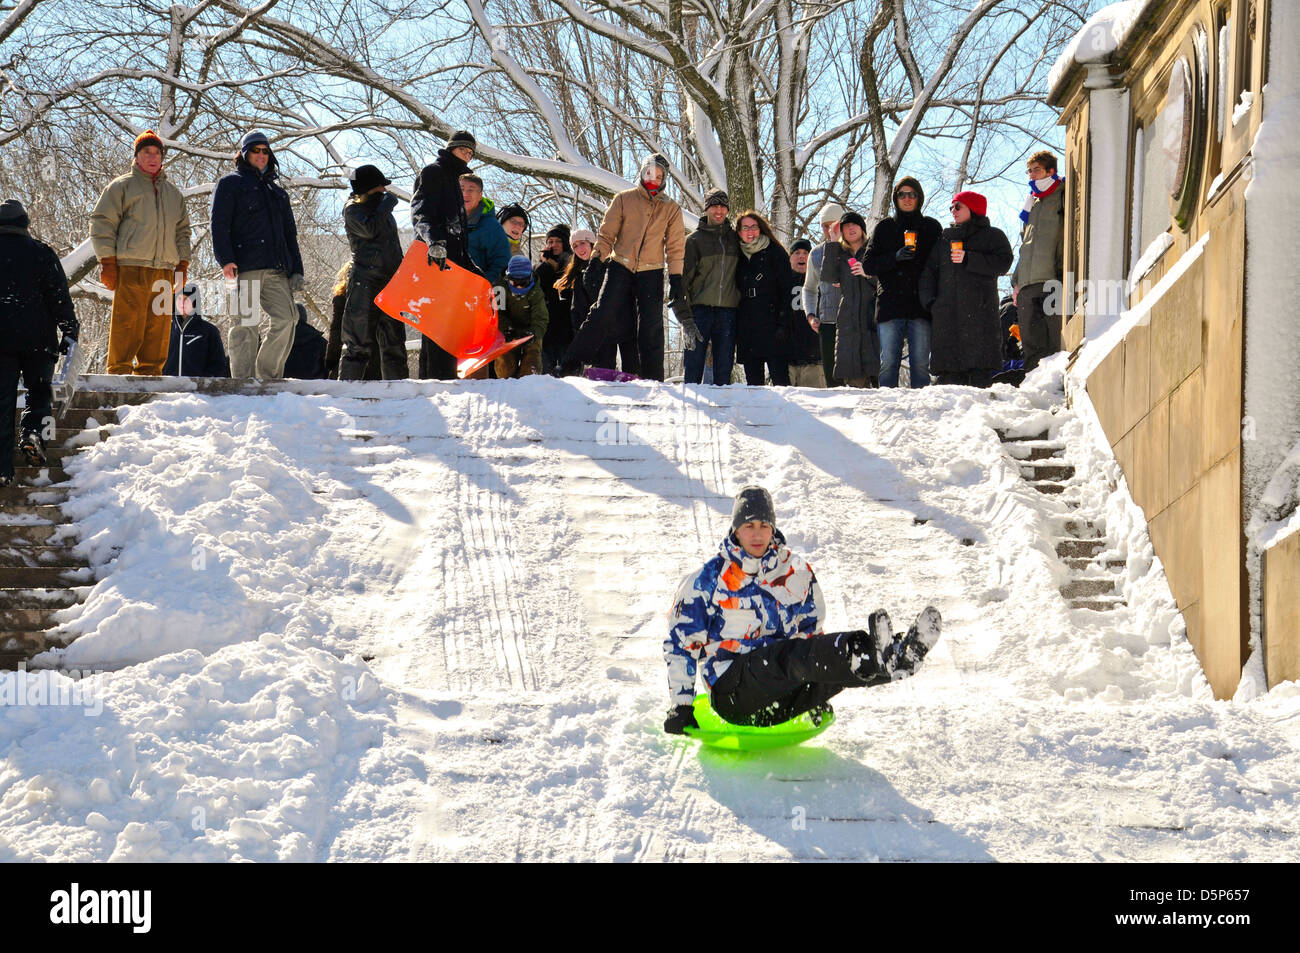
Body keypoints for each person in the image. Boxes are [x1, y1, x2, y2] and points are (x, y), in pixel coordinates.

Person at [663, 485, 942, 731]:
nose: (757, 534)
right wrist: (682, 706)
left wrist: (815, 697)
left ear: (773, 528)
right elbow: (680, 644)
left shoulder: (794, 571)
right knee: (783, 657)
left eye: (764, 525)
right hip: (735, 695)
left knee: (829, 671)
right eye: (749, 526)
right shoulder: (709, 579)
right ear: (735, 530)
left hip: (779, 701)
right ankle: (868, 652)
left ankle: (895, 659)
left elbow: (811, 634)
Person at [562, 153, 686, 381]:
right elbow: (607, 234)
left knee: (651, 325)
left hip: (652, 270)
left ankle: (653, 379)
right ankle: (570, 363)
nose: (654, 178)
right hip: (620, 265)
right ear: (642, 172)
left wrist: (677, 277)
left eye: (659, 176)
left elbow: (676, 247)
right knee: (602, 312)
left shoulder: (671, 209)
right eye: (650, 173)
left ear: (664, 179)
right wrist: (597, 260)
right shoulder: (623, 199)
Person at [89, 130, 191, 376]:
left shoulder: (174, 194)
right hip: (131, 267)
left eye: (157, 152)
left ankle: (150, 376)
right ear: (137, 156)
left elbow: (183, 232)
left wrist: (182, 265)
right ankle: (118, 375)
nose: (153, 157)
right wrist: (108, 262)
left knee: (158, 330)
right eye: (147, 152)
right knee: (127, 325)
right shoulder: (121, 187)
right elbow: (102, 223)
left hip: (165, 270)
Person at [210, 131, 305, 381]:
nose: (261, 155)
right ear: (244, 154)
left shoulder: (277, 192)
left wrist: (297, 269)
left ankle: (267, 377)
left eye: (265, 151)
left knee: (288, 319)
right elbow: (219, 224)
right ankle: (242, 382)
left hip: (277, 270)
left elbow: (289, 235)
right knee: (246, 326)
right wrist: (225, 259)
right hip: (245, 267)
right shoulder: (230, 183)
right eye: (256, 150)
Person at [0, 199, 78, 484]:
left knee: (3, 401)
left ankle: (2, 468)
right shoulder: (42, 253)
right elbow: (59, 297)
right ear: (25, 224)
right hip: (38, 338)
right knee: (39, 391)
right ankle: (34, 433)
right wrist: (70, 331)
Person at [920, 191, 1014, 387]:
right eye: (951, 207)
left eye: (958, 206)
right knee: (948, 386)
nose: (953, 211)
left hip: (980, 316)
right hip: (947, 319)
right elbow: (928, 273)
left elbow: (1003, 262)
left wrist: (969, 258)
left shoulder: (993, 236)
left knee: (980, 382)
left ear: (973, 208)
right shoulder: (943, 241)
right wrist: (931, 302)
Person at [411, 130, 479, 379]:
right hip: (436, 260)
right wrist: (434, 241)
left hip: (453, 262)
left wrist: (469, 265)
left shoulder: (454, 180)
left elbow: (458, 232)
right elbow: (421, 211)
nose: (468, 156)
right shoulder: (433, 172)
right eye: (464, 150)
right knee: (439, 326)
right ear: (451, 148)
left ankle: (442, 381)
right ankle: (439, 383)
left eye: (471, 153)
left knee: (448, 326)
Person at [863, 176, 942, 388]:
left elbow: (941, 268)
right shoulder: (885, 227)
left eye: (912, 194)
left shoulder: (931, 227)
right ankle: (887, 410)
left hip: (921, 306)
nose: (907, 199)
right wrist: (894, 257)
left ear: (919, 198)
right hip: (890, 304)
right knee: (888, 364)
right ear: (895, 198)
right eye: (902, 194)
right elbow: (868, 265)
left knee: (921, 365)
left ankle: (924, 412)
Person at [338, 164, 407, 381]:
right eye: (381, 187)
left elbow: (391, 245)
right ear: (370, 188)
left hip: (391, 281)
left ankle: (400, 394)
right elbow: (370, 229)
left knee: (394, 344)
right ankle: (347, 394)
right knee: (357, 343)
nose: (386, 191)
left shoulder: (382, 211)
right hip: (365, 282)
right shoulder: (353, 209)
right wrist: (385, 206)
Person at [1012, 151, 1065, 374]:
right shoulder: (1031, 202)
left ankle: (1053, 387)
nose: (1032, 175)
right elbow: (1024, 244)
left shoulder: (1063, 194)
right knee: (1031, 343)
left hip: (1051, 278)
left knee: (1054, 340)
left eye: (1037, 170)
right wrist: (1016, 281)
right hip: (1026, 284)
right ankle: (1032, 386)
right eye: (1030, 171)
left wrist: (1062, 271)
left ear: (1051, 171)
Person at [680, 188, 739, 386]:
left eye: (723, 206)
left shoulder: (736, 239)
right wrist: (685, 319)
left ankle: (723, 412)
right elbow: (680, 284)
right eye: (714, 206)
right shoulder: (693, 241)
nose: (719, 211)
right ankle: (690, 409)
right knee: (693, 367)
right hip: (700, 312)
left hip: (728, 313)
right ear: (706, 209)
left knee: (724, 370)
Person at [734, 210, 792, 386]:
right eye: (745, 228)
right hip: (747, 324)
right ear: (738, 232)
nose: (750, 232)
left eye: (754, 227)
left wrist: (784, 323)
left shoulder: (775, 252)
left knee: (781, 381)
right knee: (754, 385)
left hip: (772, 321)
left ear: (761, 229)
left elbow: (786, 289)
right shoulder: (735, 254)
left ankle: (785, 414)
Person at [827, 210, 880, 388]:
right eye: (846, 227)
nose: (850, 229)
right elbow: (829, 277)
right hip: (848, 322)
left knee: (882, 382)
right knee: (855, 384)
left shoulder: (874, 251)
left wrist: (868, 274)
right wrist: (833, 243)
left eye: (854, 225)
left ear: (862, 229)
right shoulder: (839, 254)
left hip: (873, 318)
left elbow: (886, 282)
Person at [802, 202, 844, 386]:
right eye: (825, 226)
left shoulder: (854, 247)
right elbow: (809, 288)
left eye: (833, 225)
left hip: (853, 323)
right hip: (826, 323)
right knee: (832, 381)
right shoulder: (816, 254)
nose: (829, 230)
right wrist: (811, 315)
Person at [495, 255, 548, 378]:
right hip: (507, 329)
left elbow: (541, 318)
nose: (519, 286)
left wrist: (533, 333)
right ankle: (505, 383)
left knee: (532, 359)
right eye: (515, 282)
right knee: (505, 364)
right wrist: (506, 329)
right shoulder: (500, 288)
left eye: (523, 282)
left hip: (530, 329)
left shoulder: (536, 292)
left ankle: (529, 383)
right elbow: (497, 313)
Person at [163, 283, 229, 378]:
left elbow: (218, 364)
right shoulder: (165, 329)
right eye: (179, 299)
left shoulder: (209, 331)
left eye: (186, 299)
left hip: (197, 390)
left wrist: (204, 381)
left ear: (194, 301)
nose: (182, 303)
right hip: (168, 389)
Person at [553, 228, 595, 375]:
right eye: (575, 246)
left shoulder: (603, 267)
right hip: (580, 328)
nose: (579, 249)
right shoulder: (577, 271)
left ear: (592, 243)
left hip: (599, 327)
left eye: (582, 243)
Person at [785, 239, 824, 387]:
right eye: (797, 253)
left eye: (806, 253)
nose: (802, 256)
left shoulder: (821, 281)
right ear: (790, 258)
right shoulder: (782, 281)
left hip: (814, 359)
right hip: (787, 359)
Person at [461, 174, 510, 286]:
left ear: (480, 195)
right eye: (462, 189)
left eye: (471, 190)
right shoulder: (447, 220)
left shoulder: (491, 226)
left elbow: (501, 263)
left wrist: (482, 284)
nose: (465, 194)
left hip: (473, 291)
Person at [536, 225, 573, 374]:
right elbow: (538, 284)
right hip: (547, 330)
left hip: (567, 329)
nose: (553, 245)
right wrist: (547, 264)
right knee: (546, 377)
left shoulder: (572, 264)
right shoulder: (541, 266)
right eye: (550, 241)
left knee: (569, 376)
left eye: (558, 241)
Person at [282, 304, 328, 379]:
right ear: (304, 317)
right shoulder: (320, 342)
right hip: (315, 387)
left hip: (280, 388)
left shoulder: (275, 341)